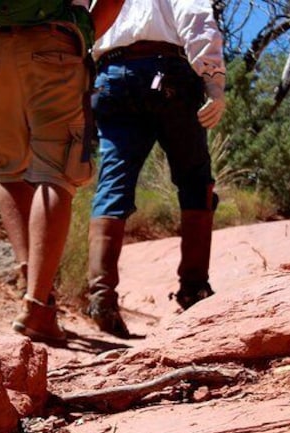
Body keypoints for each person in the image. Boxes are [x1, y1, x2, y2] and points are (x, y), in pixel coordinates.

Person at [0, 0, 123, 345]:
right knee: (56, 171)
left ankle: (33, 285)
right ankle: (38, 305)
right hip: (54, 40)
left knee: (9, 167)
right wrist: (82, 36)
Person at [85, 0, 227, 338]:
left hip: (110, 75)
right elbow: (194, 14)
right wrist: (214, 80)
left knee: (112, 184)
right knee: (195, 181)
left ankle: (101, 296)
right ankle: (194, 289)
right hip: (169, 72)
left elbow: (84, 23)